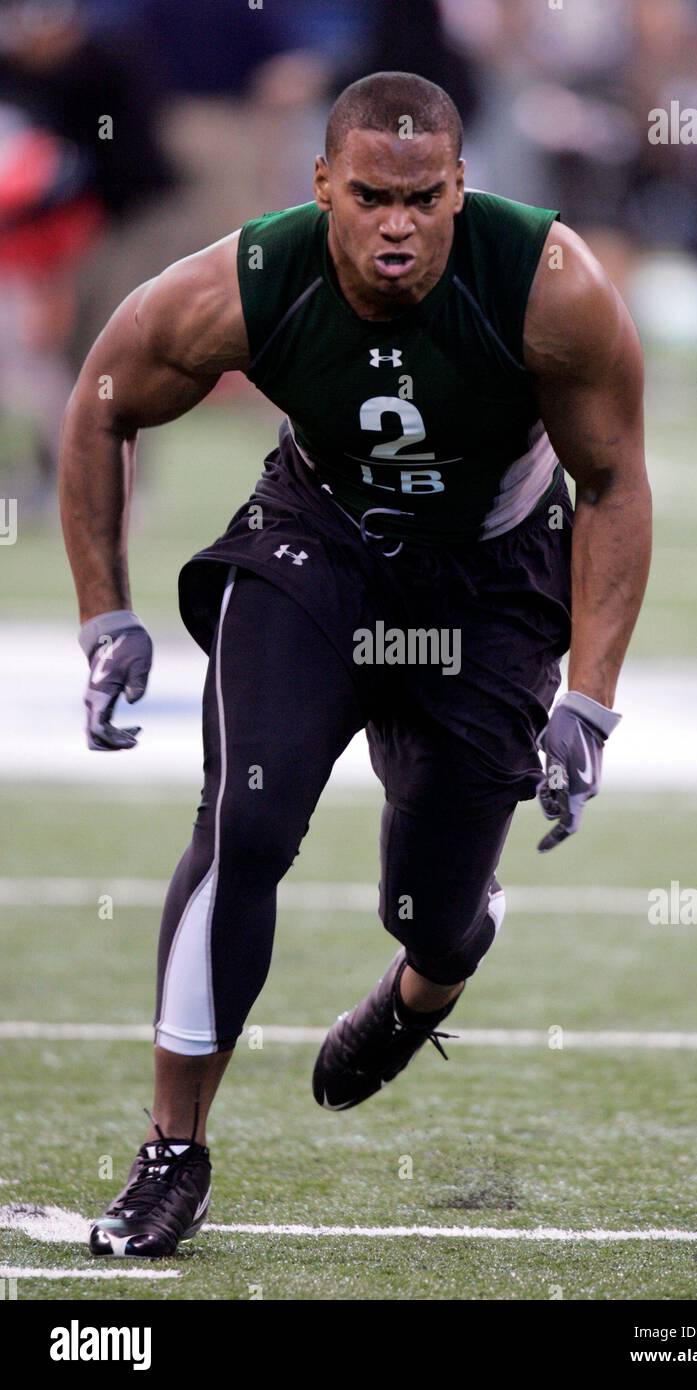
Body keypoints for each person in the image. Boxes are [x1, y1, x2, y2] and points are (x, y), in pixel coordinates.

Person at [59, 71, 651, 1259]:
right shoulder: (246, 280)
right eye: (371, 195)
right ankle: (174, 1151)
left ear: (459, 189)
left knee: (431, 910)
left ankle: (423, 978)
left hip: (487, 585)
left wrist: (588, 695)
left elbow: (611, 482)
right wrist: (103, 616)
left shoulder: (546, 284)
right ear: (320, 183)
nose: (397, 225)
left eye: (423, 199)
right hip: (315, 549)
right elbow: (101, 401)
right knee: (246, 823)